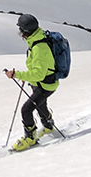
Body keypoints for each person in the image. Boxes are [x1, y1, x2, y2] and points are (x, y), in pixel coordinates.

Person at [3, 13, 57, 151]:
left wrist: (18, 75)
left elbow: (38, 74)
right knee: (40, 105)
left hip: (45, 84)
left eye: (20, 29)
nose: (19, 32)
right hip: (43, 83)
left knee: (26, 110)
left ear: (26, 31)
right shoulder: (36, 40)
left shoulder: (39, 47)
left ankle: (30, 138)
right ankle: (49, 125)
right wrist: (26, 76)